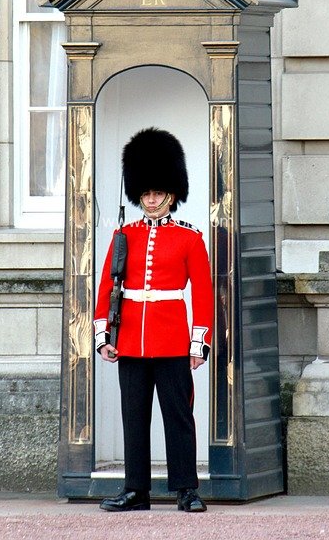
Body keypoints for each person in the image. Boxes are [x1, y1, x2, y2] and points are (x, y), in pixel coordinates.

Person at [94, 127, 214, 513]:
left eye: (157, 193)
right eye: (145, 193)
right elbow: (106, 289)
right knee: (135, 417)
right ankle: (136, 489)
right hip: (130, 338)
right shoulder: (123, 235)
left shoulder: (190, 238)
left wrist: (199, 342)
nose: (150, 199)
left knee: (178, 416)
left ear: (171, 194)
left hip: (172, 340)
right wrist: (104, 335)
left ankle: (186, 488)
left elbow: (204, 294)